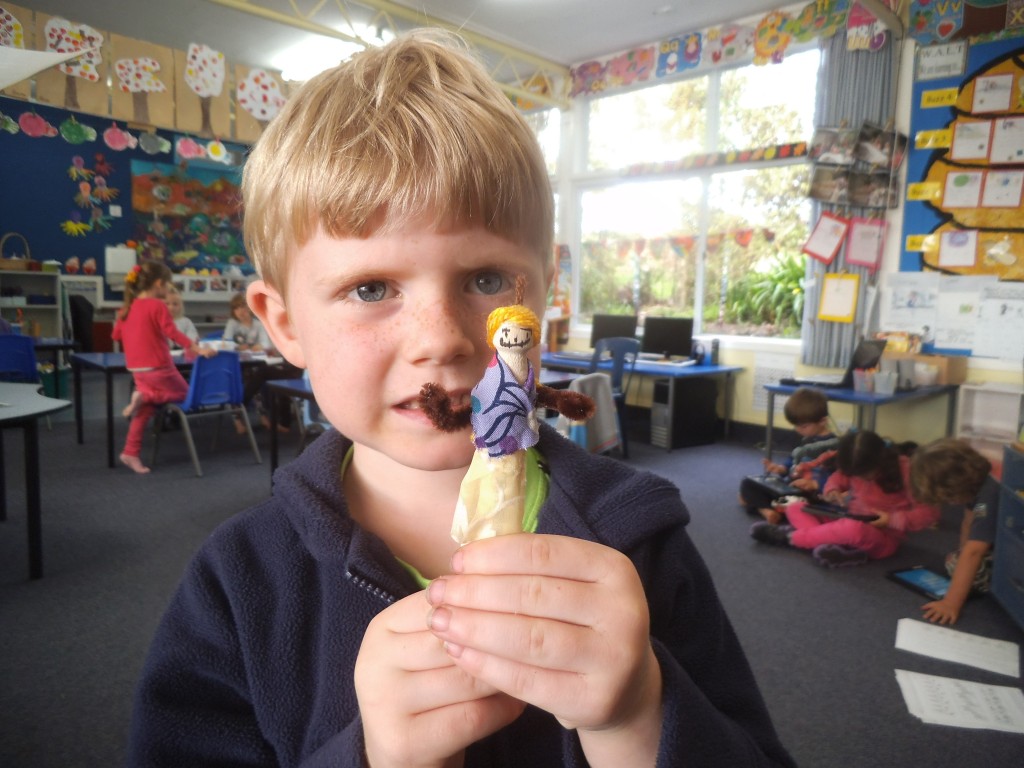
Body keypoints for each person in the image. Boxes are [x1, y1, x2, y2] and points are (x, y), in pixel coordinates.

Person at [127, 31, 795, 767]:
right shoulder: (239, 581)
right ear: (284, 324)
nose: (442, 340)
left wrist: (639, 715)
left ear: (544, 293)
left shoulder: (641, 536)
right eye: (370, 288)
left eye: (486, 280)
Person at [751, 430, 939, 568]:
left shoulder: (906, 470)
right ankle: (829, 544)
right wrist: (832, 489)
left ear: (880, 460)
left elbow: (929, 513)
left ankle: (790, 538)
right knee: (796, 507)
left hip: (884, 537)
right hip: (847, 518)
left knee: (853, 529)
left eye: (864, 475)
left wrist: (891, 520)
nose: (860, 478)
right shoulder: (854, 463)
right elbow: (838, 477)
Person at [111, 261, 215, 474]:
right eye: (168, 284)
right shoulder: (157, 305)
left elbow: (115, 335)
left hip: (137, 370)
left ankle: (130, 452)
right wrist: (196, 348)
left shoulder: (126, 308)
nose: (168, 289)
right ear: (159, 284)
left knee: (145, 410)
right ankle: (146, 396)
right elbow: (172, 332)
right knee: (188, 396)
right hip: (159, 367)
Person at [910, 438, 999, 625]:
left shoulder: (988, 498)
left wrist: (951, 603)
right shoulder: (978, 480)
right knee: (957, 561)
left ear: (954, 486)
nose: (949, 504)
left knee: (972, 570)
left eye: (947, 499)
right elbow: (968, 521)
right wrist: (962, 555)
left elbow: (974, 551)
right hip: (1003, 537)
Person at [739, 386, 838, 523]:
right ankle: (769, 510)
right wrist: (781, 469)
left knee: (746, 498)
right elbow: (792, 462)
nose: (798, 430)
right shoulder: (807, 439)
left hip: (811, 495)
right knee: (747, 484)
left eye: (803, 426)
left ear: (822, 421)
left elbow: (838, 479)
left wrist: (814, 484)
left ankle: (765, 508)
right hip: (789, 488)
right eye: (795, 425)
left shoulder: (834, 446)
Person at [223, 290, 302, 432]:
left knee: (255, 377)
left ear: (249, 308)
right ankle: (249, 414)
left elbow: (265, 345)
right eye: (236, 308)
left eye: (243, 307)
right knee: (254, 378)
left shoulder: (258, 324)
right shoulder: (232, 324)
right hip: (235, 366)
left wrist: (256, 347)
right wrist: (242, 347)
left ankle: (243, 411)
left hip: (256, 363)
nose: (240, 311)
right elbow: (226, 343)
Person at [163, 283, 198, 349]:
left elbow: (192, 339)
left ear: (180, 306)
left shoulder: (186, 322)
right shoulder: (157, 323)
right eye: (167, 304)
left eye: (175, 304)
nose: (171, 308)